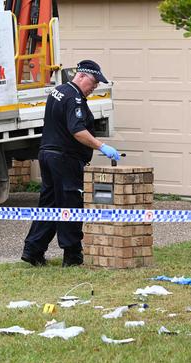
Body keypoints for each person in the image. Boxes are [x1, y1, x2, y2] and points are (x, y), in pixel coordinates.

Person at [21, 60, 120, 267]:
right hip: (65, 159)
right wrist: (101, 146)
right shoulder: (74, 98)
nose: (94, 88)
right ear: (81, 76)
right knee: (70, 205)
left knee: (49, 205)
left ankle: (33, 250)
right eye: (93, 83)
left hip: (48, 155)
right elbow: (77, 131)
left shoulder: (58, 91)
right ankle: (72, 255)